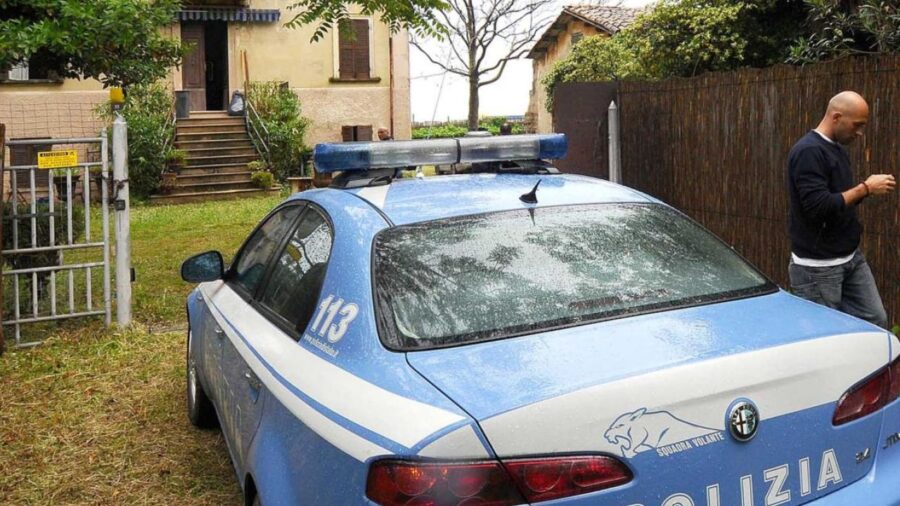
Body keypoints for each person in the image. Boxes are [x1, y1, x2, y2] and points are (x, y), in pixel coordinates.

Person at [787, 90, 895, 329]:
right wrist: (865, 188)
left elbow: (838, 200)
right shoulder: (808, 152)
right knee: (825, 336)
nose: (859, 133)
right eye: (857, 125)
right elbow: (819, 207)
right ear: (836, 117)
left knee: (874, 320)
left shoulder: (834, 148)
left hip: (850, 258)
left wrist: (860, 192)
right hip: (818, 269)